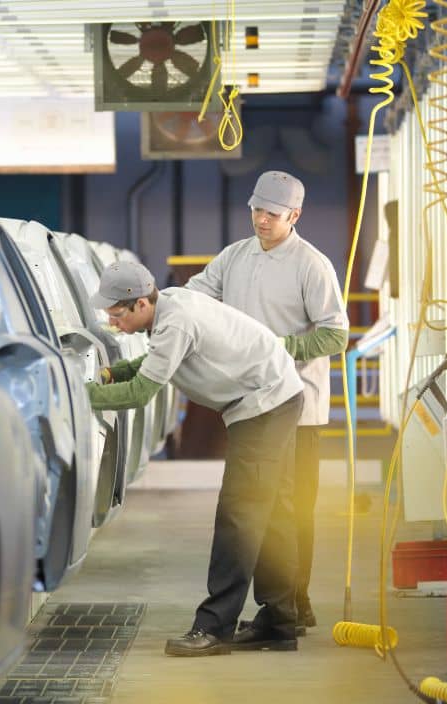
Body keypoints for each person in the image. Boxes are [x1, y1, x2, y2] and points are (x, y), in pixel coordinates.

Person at [87, 260, 304, 655]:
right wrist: (110, 374)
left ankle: (215, 628)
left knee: (239, 516)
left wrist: (79, 394)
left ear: (139, 304)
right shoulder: (169, 305)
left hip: (264, 403)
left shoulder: (176, 322)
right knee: (271, 513)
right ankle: (279, 622)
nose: (112, 321)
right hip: (278, 393)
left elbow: (140, 392)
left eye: (116, 313)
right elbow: (156, 362)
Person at [184, 171, 349, 635]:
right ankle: (289, 610)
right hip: (253, 404)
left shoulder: (310, 265)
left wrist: (278, 349)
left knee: (293, 509)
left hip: (300, 407)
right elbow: (197, 296)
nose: (261, 219)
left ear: (294, 215)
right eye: (256, 209)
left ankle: (294, 603)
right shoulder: (235, 257)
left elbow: (336, 333)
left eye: (272, 214)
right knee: (271, 508)